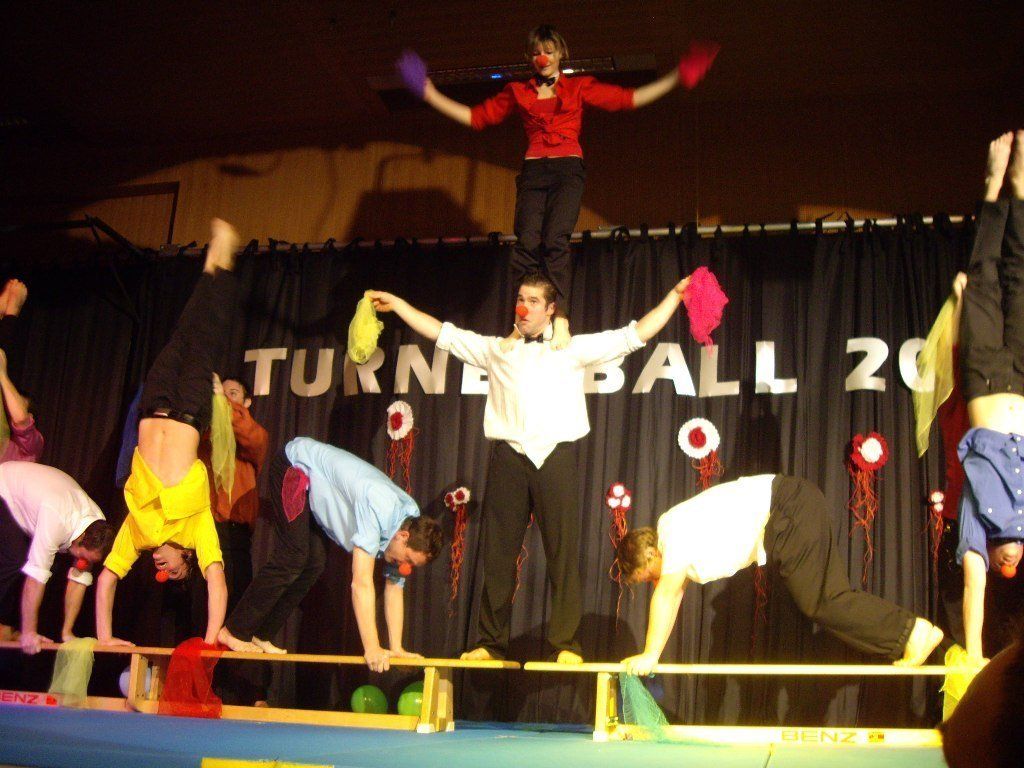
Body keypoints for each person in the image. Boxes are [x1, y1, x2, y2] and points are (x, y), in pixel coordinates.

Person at [368, 269, 694, 663]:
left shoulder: (571, 349)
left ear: (551, 310)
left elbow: (636, 334)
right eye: (520, 299)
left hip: (556, 457)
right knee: (498, 555)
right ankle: (490, 642)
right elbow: (443, 334)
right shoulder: (498, 350)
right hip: (509, 457)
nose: (522, 308)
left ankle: (566, 644)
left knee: (562, 555)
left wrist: (675, 296)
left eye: (533, 301)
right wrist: (399, 305)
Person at [397, 25, 717, 348]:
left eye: (549, 51)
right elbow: (476, 117)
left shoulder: (578, 87)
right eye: (537, 53)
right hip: (534, 170)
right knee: (526, 243)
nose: (543, 58)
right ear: (529, 57)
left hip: (567, 168)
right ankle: (520, 326)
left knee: (555, 242)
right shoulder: (517, 91)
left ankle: (560, 318)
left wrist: (675, 77)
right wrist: (429, 92)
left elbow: (627, 99)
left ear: (561, 53)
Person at [617, 475, 945, 675]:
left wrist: (650, 655)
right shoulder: (678, 535)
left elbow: (668, 594)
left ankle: (913, 630)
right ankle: (908, 636)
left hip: (787, 508)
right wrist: (653, 653)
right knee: (828, 599)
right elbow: (672, 594)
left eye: (647, 577)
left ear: (650, 555)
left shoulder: (672, 531)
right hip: (794, 505)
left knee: (821, 601)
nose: (654, 583)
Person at [96, 218, 239, 648]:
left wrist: (105, 637)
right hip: (190, 409)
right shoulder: (198, 529)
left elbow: (106, 580)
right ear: (187, 560)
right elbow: (217, 581)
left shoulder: (137, 534)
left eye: (163, 572)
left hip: (153, 402)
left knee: (182, 331)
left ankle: (212, 265)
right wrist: (210, 639)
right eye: (175, 571)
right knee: (205, 335)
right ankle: (221, 263)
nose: (163, 567)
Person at [217, 438, 442, 673]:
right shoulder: (379, 506)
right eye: (408, 560)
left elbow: (394, 587)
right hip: (293, 467)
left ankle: (261, 633)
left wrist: (397, 648)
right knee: (293, 556)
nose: (405, 567)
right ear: (403, 536)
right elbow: (361, 583)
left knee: (314, 563)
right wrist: (372, 648)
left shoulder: (410, 518)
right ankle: (234, 630)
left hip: (313, 490)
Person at [955, 130, 1024, 662]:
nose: (1010, 565)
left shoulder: (976, 525)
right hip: (1022, 378)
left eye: (1005, 567)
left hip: (982, 380)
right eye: (1015, 565)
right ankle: (1021, 191)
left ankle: (993, 184)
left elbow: (973, 586)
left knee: (982, 280)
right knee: (1021, 283)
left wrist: (976, 657)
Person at [0, 461, 114, 653]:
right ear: (80, 539)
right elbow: (35, 579)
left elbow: (79, 579)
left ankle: (8, 626)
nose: (84, 563)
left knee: (48, 568)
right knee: (16, 562)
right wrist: (29, 633)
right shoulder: (57, 521)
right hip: (5, 488)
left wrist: (67, 633)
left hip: (35, 506)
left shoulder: (97, 523)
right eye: (84, 558)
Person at [197, 374, 268, 615]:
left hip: (232, 533)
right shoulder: (203, 437)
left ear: (247, 402)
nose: (225, 397)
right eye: (221, 392)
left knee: (234, 609)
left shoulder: (252, 434)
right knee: (200, 611)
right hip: (202, 531)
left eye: (233, 394)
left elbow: (251, 437)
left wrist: (221, 401)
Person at [0, 280, 44, 464]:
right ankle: (8, 314)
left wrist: (2, 375)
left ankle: (8, 313)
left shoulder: (33, 445)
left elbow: (21, 420)